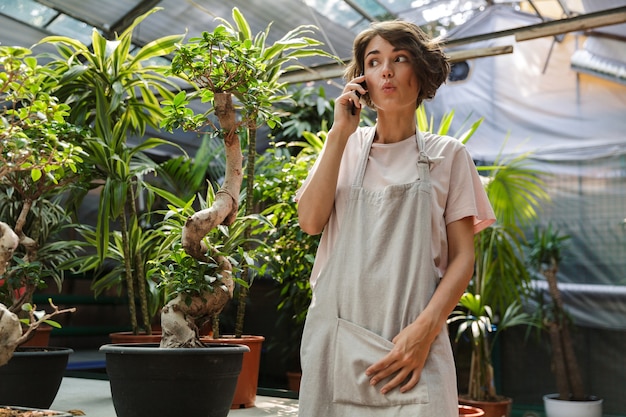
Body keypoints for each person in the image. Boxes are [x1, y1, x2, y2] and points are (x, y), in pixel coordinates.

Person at [295, 20, 496, 417]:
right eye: (374, 61)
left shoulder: (448, 156)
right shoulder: (344, 149)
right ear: (362, 80)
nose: (385, 70)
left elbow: (463, 259)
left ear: (420, 73)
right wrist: (338, 134)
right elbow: (310, 222)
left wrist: (423, 332)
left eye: (399, 58)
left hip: (413, 349)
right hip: (336, 346)